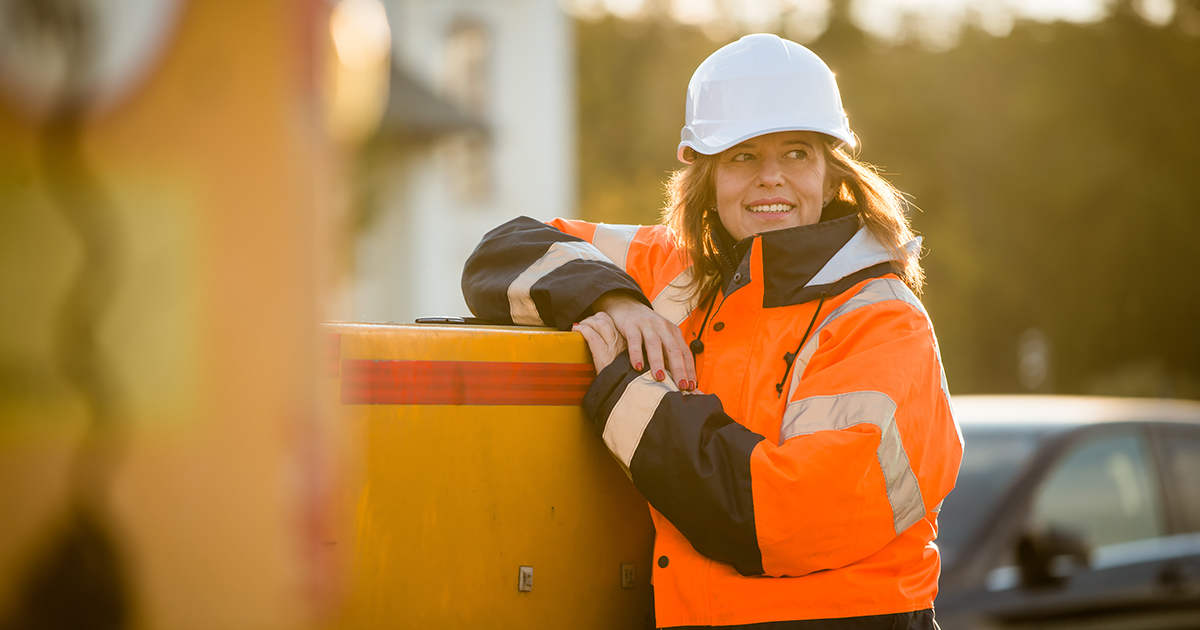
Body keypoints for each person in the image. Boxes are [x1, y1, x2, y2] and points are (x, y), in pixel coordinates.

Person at [462, 33, 962, 629]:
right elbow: (501, 253)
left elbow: (783, 519)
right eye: (742, 156)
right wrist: (616, 299)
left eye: (796, 153)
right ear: (708, 177)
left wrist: (629, 396)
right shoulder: (674, 270)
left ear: (832, 176)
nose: (770, 178)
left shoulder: (882, 320)